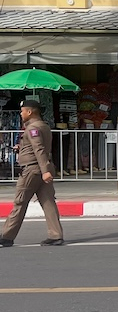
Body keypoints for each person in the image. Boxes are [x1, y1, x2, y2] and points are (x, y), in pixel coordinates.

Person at [0, 99, 65, 246]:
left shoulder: (32, 128)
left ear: (29, 112)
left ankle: (6, 236)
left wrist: (44, 171)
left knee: (20, 202)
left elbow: (39, 149)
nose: (21, 114)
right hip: (42, 168)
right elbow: (36, 146)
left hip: (32, 170)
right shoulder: (44, 126)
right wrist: (21, 147)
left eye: (22, 111)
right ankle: (56, 235)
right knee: (48, 203)